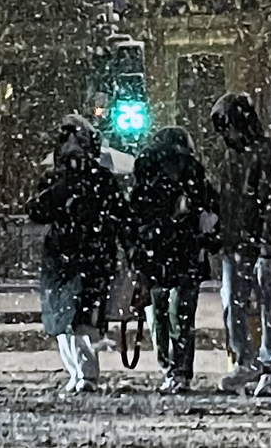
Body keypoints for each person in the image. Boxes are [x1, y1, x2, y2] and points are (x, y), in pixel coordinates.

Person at [27, 114, 125, 393]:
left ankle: (87, 374)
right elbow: (37, 210)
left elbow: (118, 216)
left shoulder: (100, 180)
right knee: (63, 321)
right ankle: (77, 372)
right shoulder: (57, 181)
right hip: (64, 259)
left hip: (90, 259)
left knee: (83, 320)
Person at [210, 92, 271, 397]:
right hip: (239, 246)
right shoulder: (237, 156)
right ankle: (248, 360)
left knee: (268, 305)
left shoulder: (265, 154)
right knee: (236, 303)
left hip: (261, 246)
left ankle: (269, 366)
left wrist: (270, 241)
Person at [125, 127, 220, 394]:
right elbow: (133, 224)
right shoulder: (148, 188)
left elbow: (212, 220)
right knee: (161, 318)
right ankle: (171, 368)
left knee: (177, 317)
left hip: (182, 258)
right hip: (162, 259)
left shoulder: (196, 187)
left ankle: (177, 370)